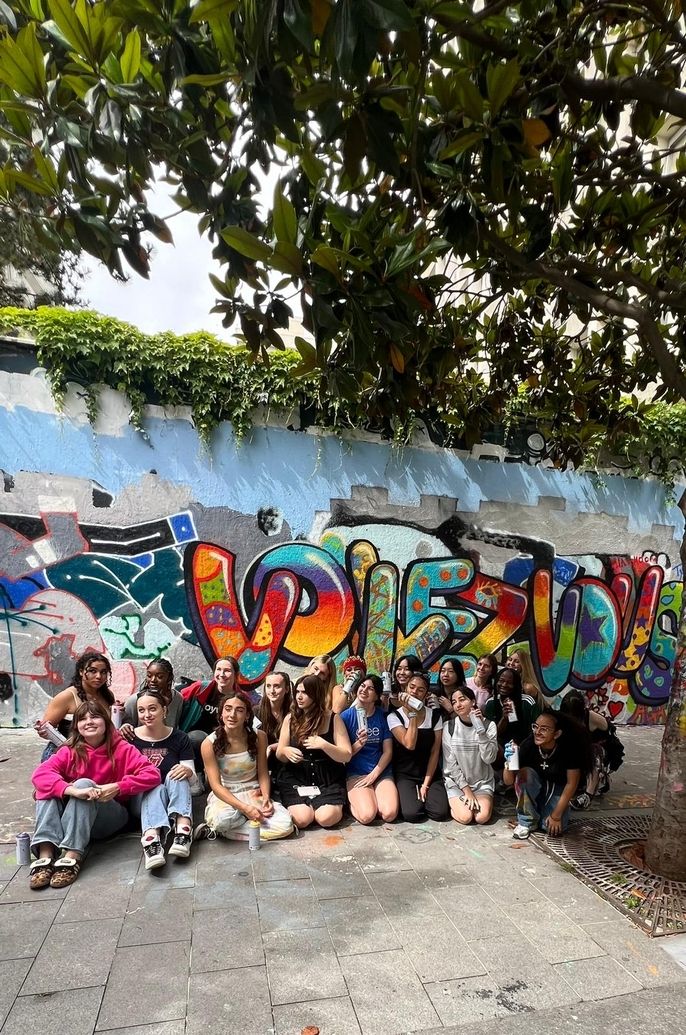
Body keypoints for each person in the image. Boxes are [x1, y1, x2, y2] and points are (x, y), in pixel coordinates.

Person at [29, 700, 160, 889]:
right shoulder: (69, 750)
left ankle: (72, 855)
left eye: (95, 716)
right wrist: (72, 790)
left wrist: (117, 786)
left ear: (107, 722)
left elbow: (152, 774)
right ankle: (46, 853)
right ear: (77, 727)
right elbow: (40, 774)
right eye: (83, 719)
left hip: (110, 818)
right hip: (75, 818)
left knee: (83, 783)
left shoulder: (122, 748)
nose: (89, 721)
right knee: (45, 787)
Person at [198, 692, 293, 841]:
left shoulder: (259, 737)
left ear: (247, 715)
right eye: (228, 709)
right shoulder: (209, 743)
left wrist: (267, 797)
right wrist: (244, 809)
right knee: (223, 820)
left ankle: (222, 830)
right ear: (221, 713)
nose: (232, 715)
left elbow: (262, 772)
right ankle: (233, 824)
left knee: (286, 825)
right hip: (227, 795)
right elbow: (216, 786)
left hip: (253, 792)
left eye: (239, 710)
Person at [128, 688, 195, 870]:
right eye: (141, 710)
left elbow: (193, 778)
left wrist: (187, 772)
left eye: (152, 709)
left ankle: (183, 830)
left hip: (175, 796)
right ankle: (151, 841)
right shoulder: (130, 738)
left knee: (178, 772)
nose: (147, 715)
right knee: (154, 785)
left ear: (164, 710)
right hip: (141, 801)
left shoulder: (179, 737)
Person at [275, 673, 352, 829]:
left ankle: (326, 807)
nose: (299, 697)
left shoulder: (333, 718)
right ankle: (306, 808)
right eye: (297, 692)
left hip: (327, 778)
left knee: (326, 818)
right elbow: (280, 753)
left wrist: (324, 745)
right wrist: (286, 751)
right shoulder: (290, 718)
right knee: (302, 820)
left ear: (316, 694)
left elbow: (347, 754)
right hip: (297, 777)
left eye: (305, 692)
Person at [504, 708, 592, 840]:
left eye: (544, 729)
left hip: (557, 789)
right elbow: (508, 782)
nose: (537, 732)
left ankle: (539, 815)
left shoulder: (569, 749)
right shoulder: (529, 744)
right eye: (536, 727)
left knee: (550, 827)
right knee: (525, 774)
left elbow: (571, 783)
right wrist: (509, 762)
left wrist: (556, 816)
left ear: (557, 734)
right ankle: (526, 821)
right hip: (535, 786)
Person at [387, 671, 449, 822]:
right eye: (412, 687)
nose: (415, 692)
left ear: (426, 694)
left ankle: (426, 795)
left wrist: (426, 784)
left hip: (429, 773)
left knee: (439, 813)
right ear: (405, 689)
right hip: (405, 774)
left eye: (420, 690)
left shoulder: (435, 716)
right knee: (412, 814)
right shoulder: (394, 717)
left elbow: (435, 752)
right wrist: (413, 714)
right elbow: (409, 743)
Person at [340, 675, 398, 824]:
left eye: (370, 688)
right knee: (367, 816)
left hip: (380, 771)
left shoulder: (382, 716)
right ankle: (352, 802)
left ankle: (370, 798)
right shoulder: (345, 717)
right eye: (362, 686)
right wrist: (359, 743)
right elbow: (343, 755)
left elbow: (388, 752)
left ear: (377, 696)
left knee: (389, 814)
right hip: (356, 773)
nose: (364, 690)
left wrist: (374, 775)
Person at [34, 651, 115, 757]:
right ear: (81, 672)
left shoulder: (107, 695)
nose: (98, 676)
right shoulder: (67, 696)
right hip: (63, 756)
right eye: (92, 671)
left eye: (103, 672)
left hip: (97, 755)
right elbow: (46, 728)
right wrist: (46, 732)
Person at [442, 686, 498, 824]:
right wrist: (466, 791)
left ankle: (484, 800)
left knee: (482, 818)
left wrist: (480, 730)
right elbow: (450, 763)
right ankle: (456, 804)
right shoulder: (449, 726)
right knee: (466, 818)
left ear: (473, 701)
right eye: (454, 702)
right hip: (457, 783)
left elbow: (489, 758)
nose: (458, 705)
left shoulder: (489, 725)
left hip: (482, 782)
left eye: (462, 700)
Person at [178, 656, 239, 768]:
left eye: (227, 671)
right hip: (194, 741)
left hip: (222, 744)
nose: (222, 674)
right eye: (218, 669)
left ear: (236, 675)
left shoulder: (240, 699)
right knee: (197, 738)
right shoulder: (200, 688)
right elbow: (175, 699)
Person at [559, 689, 613, 808]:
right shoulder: (561, 718)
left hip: (591, 755)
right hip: (573, 755)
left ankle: (588, 793)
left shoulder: (593, 719)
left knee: (595, 750)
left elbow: (610, 741)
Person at [483, 667, 540, 766]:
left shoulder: (527, 702)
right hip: (501, 748)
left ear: (516, 685)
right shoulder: (491, 703)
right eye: (501, 681)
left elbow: (534, 731)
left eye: (509, 682)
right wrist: (504, 719)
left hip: (525, 746)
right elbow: (492, 735)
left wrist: (520, 749)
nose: (504, 685)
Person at [254, 670, 292, 794]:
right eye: (268, 686)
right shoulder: (256, 712)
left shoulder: (294, 712)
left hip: (287, 759)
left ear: (286, 689)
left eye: (277, 686)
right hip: (262, 760)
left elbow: (299, 739)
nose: (272, 691)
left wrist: (273, 746)